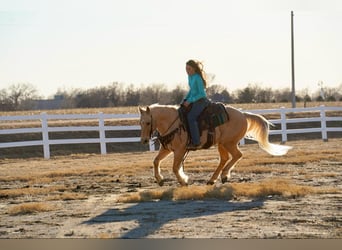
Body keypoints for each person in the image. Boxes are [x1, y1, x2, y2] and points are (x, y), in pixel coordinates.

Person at [182, 59, 209, 150]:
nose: (187, 71)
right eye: (186, 69)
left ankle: (196, 142)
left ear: (193, 69)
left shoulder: (197, 77)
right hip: (193, 100)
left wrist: (190, 101)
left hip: (201, 101)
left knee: (191, 118)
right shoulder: (190, 77)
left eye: (189, 69)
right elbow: (192, 90)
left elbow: (202, 94)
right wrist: (185, 99)